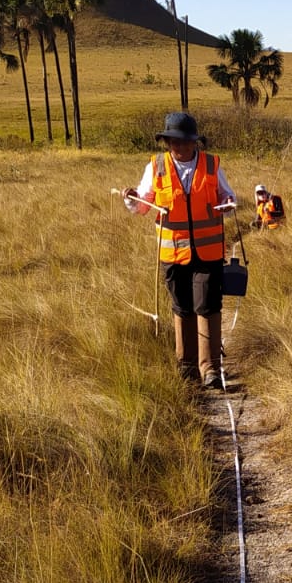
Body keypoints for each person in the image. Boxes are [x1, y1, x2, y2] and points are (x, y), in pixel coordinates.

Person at [121, 112, 235, 387]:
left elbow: (226, 196)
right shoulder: (156, 166)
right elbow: (144, 205)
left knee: (207, 305)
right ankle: (186, 369)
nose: (180, 147)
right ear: (167, 142)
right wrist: (132, 199)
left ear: (195, 142)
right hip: (173, 254)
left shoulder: (211, 164)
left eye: (185, 142)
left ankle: (209, 369)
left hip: (207, 252)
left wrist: (229, 202)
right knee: (182, 307)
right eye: (174, 142)